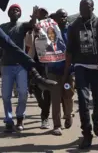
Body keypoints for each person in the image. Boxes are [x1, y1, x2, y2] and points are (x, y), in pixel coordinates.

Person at [63, 0, 98, 149]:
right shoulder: (74, 26)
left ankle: (96, 120)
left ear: (93, 8)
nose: (83, 10)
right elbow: (69, 52)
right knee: (83, 100)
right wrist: (66, 73)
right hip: (81, 66)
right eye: (81, 7)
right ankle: (86, 133)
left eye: (86, 7)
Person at [31, 8, 70, 136]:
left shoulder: (71, 31)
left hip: (69, 71)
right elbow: (42, 46)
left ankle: (68, 115)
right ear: (55, 19)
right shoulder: (48, 31)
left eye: (65, 16)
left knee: (68, 96)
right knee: (55, 98)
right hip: (52, 70)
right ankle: (57, 125)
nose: (63, 19)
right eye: (60, 17)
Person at [0, 4, 36, 132]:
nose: (15, 11)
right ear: (8, 13)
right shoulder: (2, 27)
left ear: (20, 14)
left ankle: (20, 118)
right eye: (12, 10)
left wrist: (35, 16)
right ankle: (9, 120)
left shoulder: (22, 26)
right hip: (6, 65)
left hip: (21, 65)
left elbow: (31, 24)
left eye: (17, 10)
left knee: (23, 93)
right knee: (5, 95)